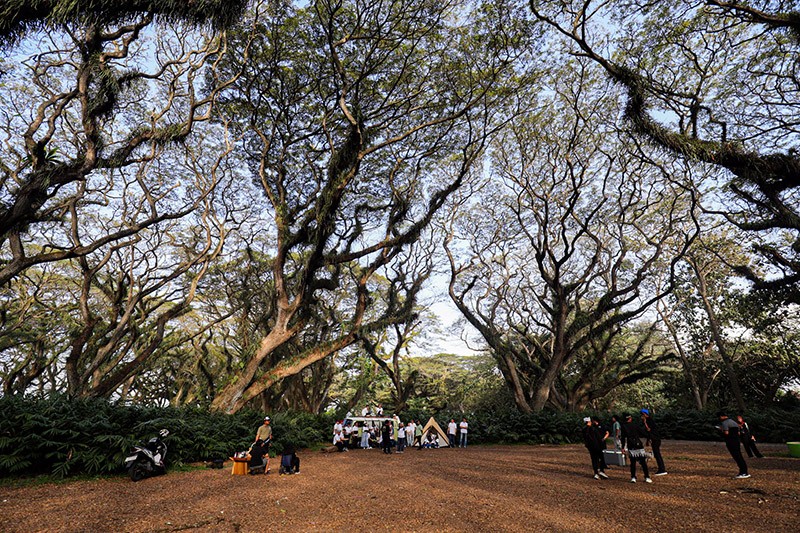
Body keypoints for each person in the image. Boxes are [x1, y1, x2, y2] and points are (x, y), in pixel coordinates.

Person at [621, 413, 652, 483]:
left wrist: (623, 447)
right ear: (630, 418)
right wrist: (648, 434)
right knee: (643, 462)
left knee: (632, 462)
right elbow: (643, 433)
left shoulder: (623, 426)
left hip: (630, 445)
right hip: (638, 445)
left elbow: (623, 438)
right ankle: (647, 477)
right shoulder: (635, 425)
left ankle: (633, 477)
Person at [717, 412, 750, 478]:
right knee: (739, 456)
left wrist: (720, 430)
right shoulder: (733, 422)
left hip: (731, 441)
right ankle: (744, 471)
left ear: (722, 416)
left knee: (736, 456)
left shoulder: (725, 423)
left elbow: (726, 433)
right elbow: (738, 433)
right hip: (737, 441)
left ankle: (743, 472)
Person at [641, 409, 667, 475]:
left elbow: (649, 430)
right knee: (656, 454)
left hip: (655, 439)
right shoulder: (649, 420)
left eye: (642, 414)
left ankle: (662, 469)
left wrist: (645, 423)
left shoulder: (649, 421)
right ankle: (661, 468)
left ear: (644, 414)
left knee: (657, 454)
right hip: (654, 439)